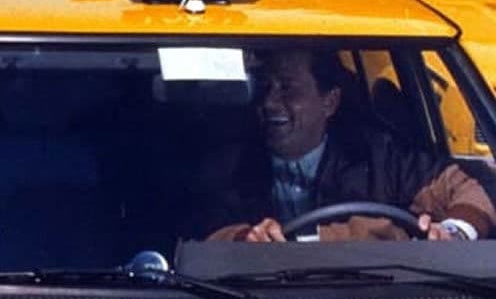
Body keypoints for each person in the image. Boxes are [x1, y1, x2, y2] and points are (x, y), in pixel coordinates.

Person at [197, 49, 496, 243]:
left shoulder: (378, 158)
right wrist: (243, 238)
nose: (270, 102)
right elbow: (197, 229)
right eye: (264, 87)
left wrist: (454, 232)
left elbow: (468, 188)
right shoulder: (227, 166)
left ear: (329, 102)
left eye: (287, 88)